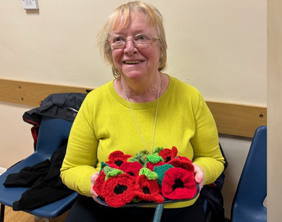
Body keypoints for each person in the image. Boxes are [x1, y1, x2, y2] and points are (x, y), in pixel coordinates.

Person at [60, 2, 225, 221]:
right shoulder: (95, 102)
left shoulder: (190, 98)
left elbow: (212, 158)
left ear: (161, 48)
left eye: (141, 37)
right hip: (108, 206)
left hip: (175, 207)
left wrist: (200, 170)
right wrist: (92, 180)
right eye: (118, 39)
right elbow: (71, 167)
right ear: (110, 51)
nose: (129, 48)